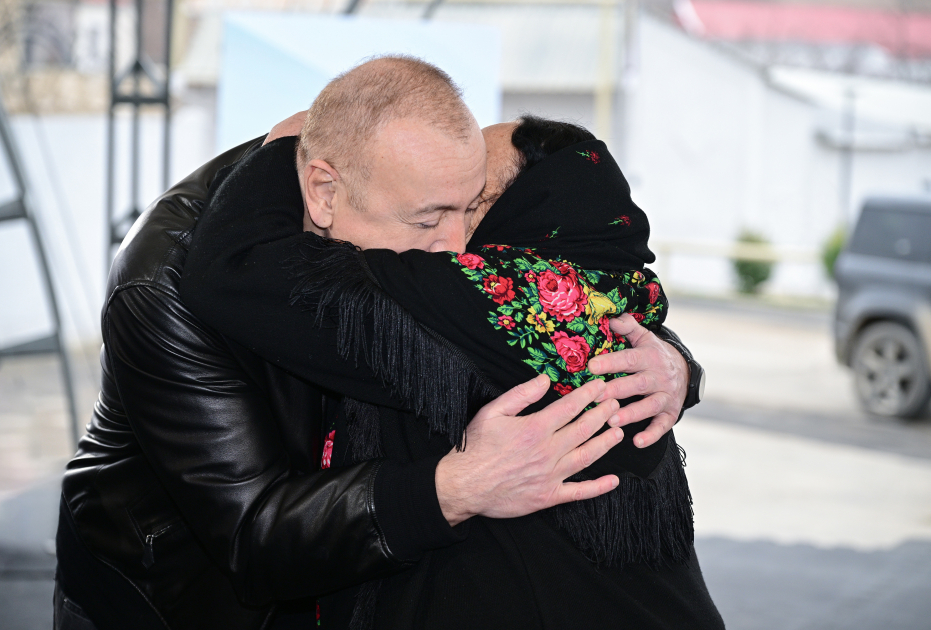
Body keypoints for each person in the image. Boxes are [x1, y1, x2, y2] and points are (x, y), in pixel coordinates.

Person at [55, 57, 699, 630]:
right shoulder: (167, 287)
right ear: (324, 192)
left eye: (471, 208)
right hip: (178, 600)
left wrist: (675, 365)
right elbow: (255, 537)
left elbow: (531, 311)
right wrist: (458, 485)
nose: (458, 248)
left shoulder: (409, 246)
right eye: (431, 219)